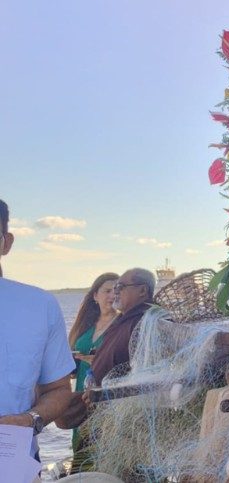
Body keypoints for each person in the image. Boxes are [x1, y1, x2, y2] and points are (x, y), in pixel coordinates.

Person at [0, 198, 76, 451]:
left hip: (12, 459)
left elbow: (59, 389)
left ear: (6, 242)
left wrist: (31, 419)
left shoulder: (39, 305)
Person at [62, 272, 119, 472]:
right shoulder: (85, 325)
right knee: (81, 447)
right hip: (82, 397)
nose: (112, 295)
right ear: (95, 296)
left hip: (107, 398)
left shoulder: (121, 325)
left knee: (105, 448)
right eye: (107, 291)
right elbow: (72, 368)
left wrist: (99, 361)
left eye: (116, 291)